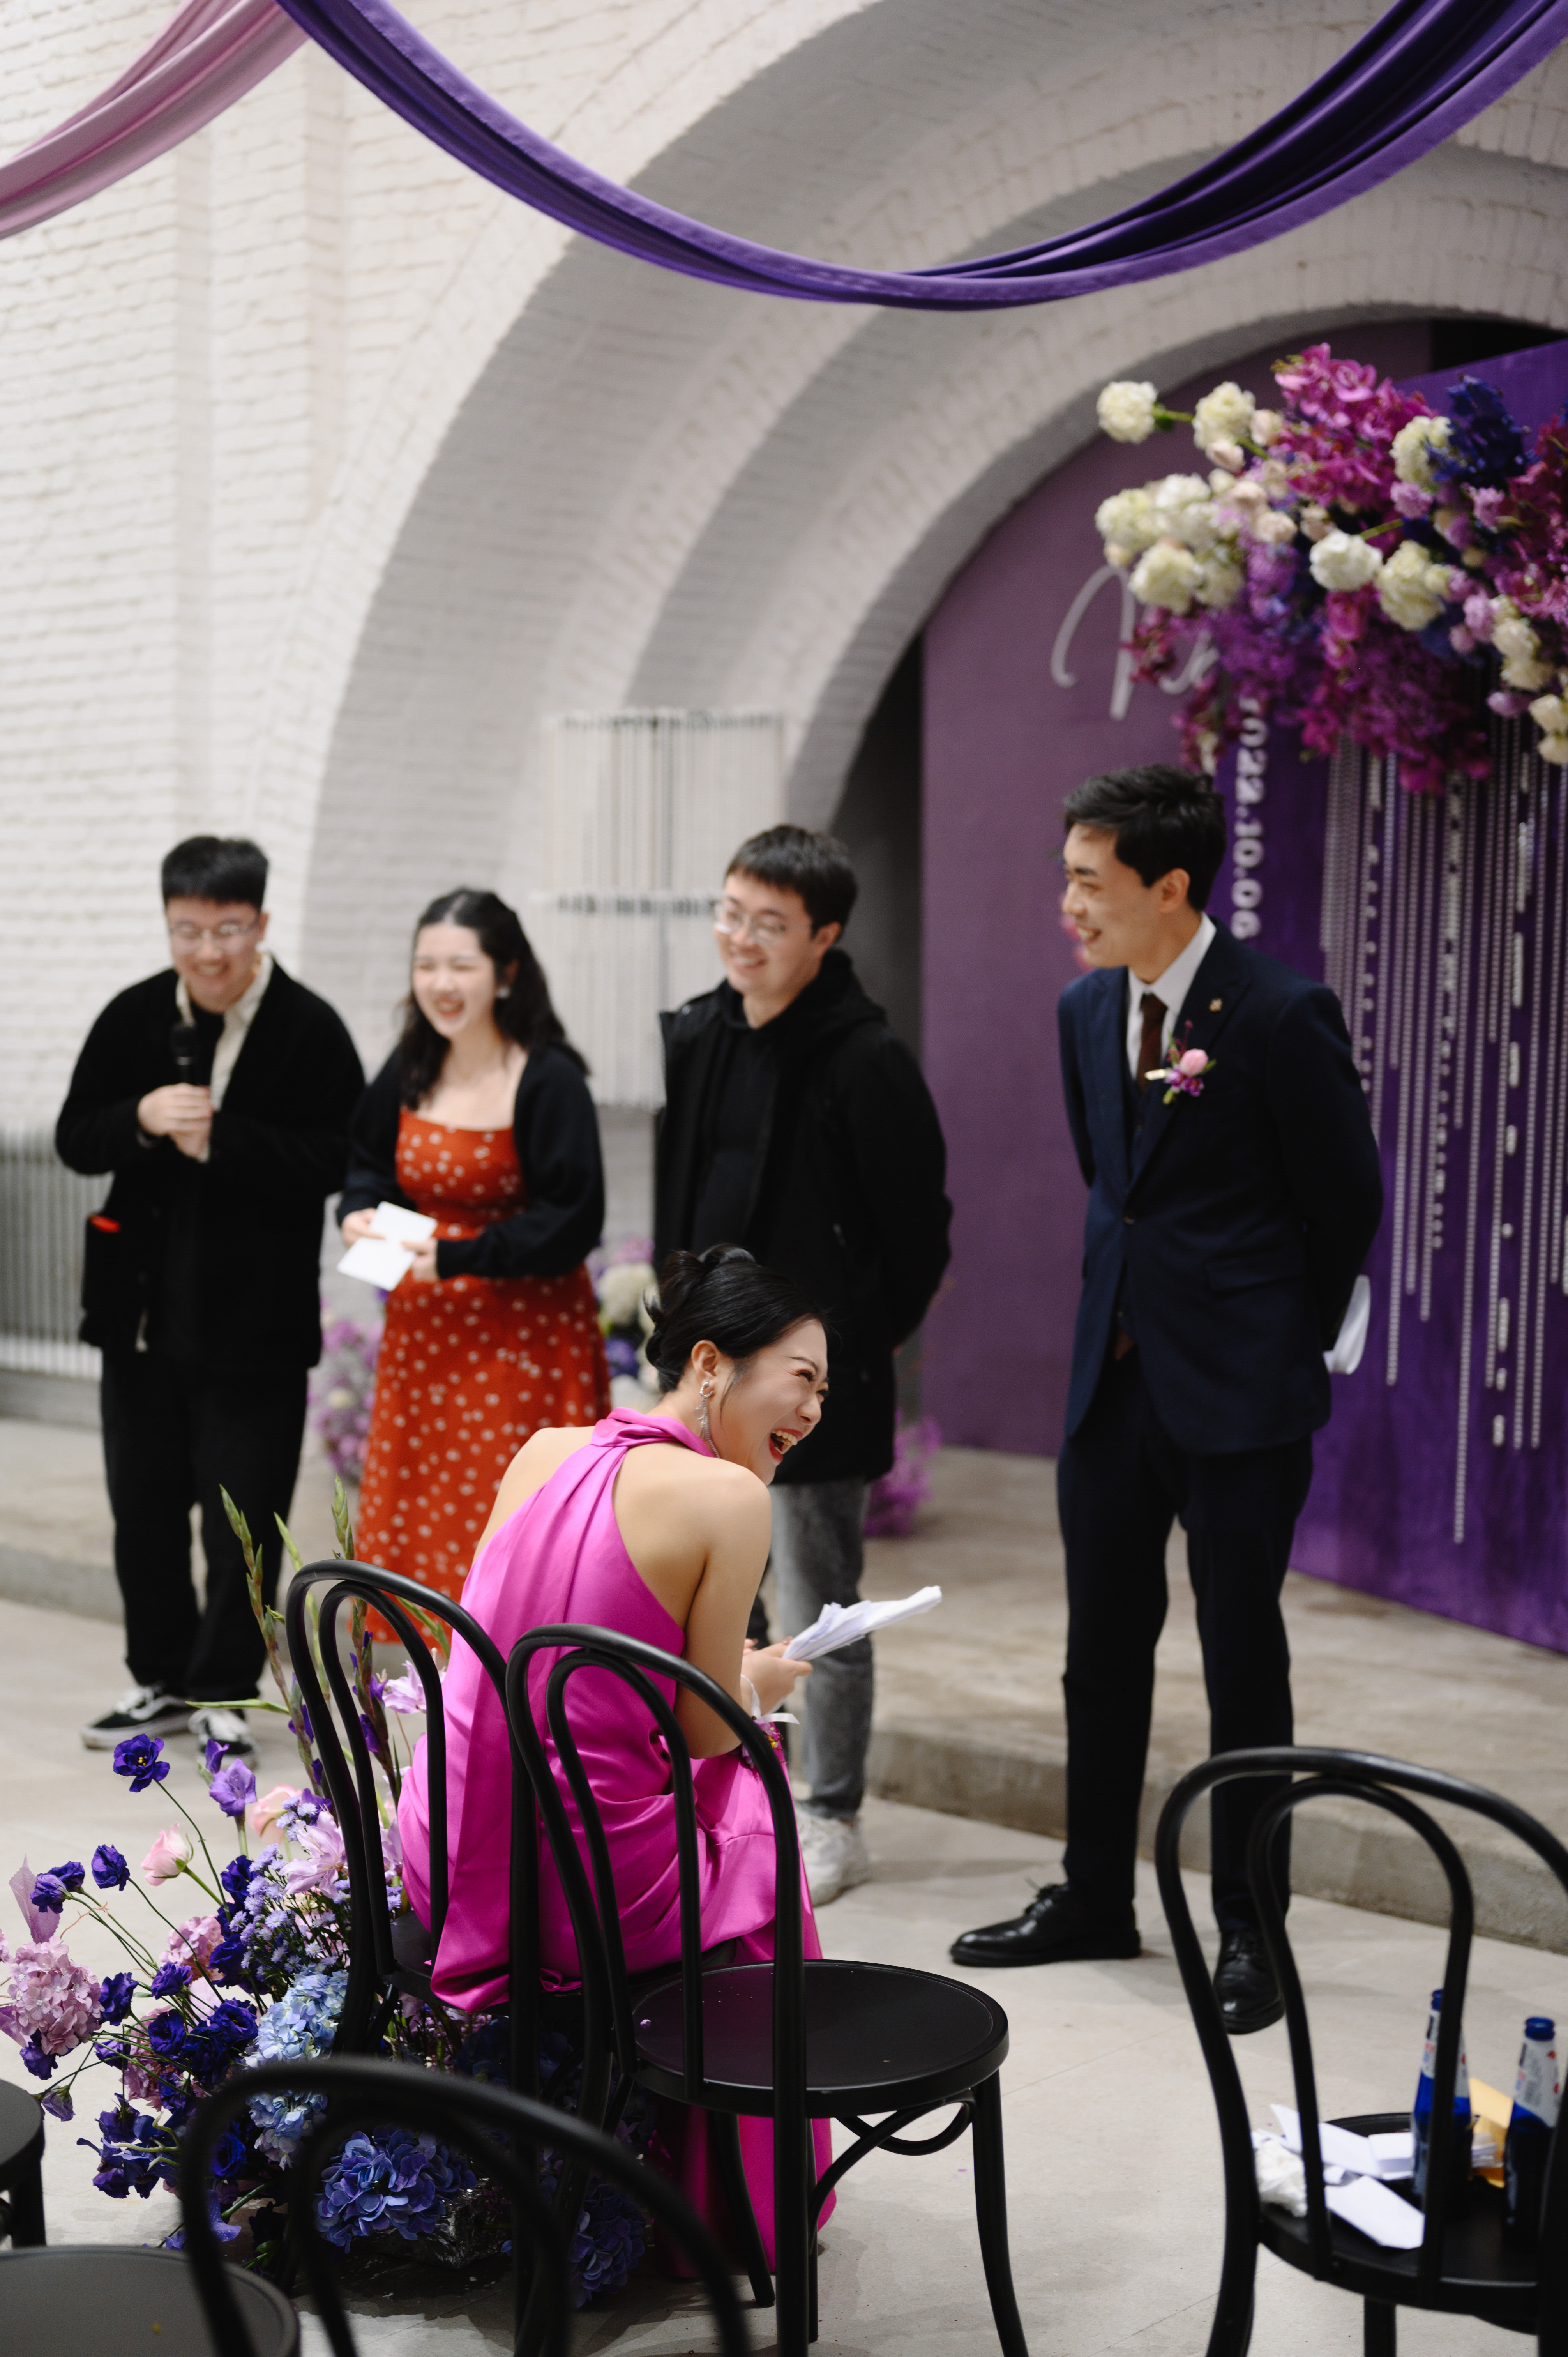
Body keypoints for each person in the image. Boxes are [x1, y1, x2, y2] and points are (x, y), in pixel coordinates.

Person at [951, 764, 1383, 2034]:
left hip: (1240, 1391)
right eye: (1068, 878)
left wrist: (1274, 1335)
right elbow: (1117, 1183)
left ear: (1172, 885)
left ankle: (1252, 1926)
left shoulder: (1280, 1012)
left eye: (1091, 883)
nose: (1070, 907)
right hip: (1114, 1379)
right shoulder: (1086, 1007)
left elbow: (1345, 1200)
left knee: (1241, 1656)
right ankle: (1095, 1893)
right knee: (1099, 1649)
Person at [398, 1244, 833, 2257]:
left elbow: (520, 1653)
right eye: (803, 1379)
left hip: (449, 1850)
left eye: (825, 1392)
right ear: (712, 1363)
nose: (815, 1411)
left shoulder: (546, 1447)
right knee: (759, 1814)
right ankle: (735, 2209)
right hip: (581, 1897)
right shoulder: (729, 1499)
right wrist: (763, 1685)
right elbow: (705, 1730)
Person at [654, 825, 951, 1907]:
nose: (741, 939)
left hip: (810, 1387)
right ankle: (726, 1788)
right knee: (710, 1589)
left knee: (817, 1596)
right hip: (709, 1372)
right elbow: (682, 1196)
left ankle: (830, 1813)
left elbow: (917, 1239)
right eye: (731, 914)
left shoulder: (867, 1061)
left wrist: (835, 1366)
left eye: (769, 925)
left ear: (823, 936)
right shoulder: (704, 1031)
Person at [58, 834, 364, 1757]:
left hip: (254, 1328)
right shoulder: (135, 1015)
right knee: (143, 1511)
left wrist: (223, 1139)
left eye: (227, 929)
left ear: (260, 924)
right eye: (187, 930)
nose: (207, 951)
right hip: (141, 1319)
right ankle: (158, 1678)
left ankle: (226, 1687)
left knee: (242, 1521)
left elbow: (340, 1157)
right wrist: (141, 1117)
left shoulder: (311, 1029)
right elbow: (76, 1136)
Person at [342, 889, 609, 1604]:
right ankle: (431, 1670)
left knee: (515, 1519)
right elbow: (366, 1161)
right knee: (426, 1510)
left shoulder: (549, 1077)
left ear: (506, 974)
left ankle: (517, 1669)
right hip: (426, 1336)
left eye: (461, 966)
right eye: (426, 966)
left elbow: (574, 1218)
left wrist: (461, 1257)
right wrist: (356, 1210)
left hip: (524, 1339)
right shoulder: (411, 1065)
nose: (441, 984)